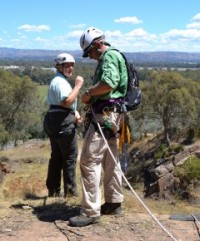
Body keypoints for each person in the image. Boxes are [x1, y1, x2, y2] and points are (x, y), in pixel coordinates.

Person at [69, 27, 128, 227]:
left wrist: (89, 94)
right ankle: (113, 202)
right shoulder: (115, 55)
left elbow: (109, 83)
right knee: (110, 159)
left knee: (88, 160)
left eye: (90, 53)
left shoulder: (109, 57)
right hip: (114, 114)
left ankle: (90, 211)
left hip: (105, 114)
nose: (91, 57)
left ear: (97, 45)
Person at [43, 53, 84, 198]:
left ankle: (53, 190)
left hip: (53, 119)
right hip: (62, 122)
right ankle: (71, 193)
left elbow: (63, 104)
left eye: (72, 65)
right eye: (67, 65)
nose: (70, 68)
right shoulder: (61, 82)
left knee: (57, 157)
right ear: (59, 67)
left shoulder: (57, 80)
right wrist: (78, 86)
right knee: (69, 157)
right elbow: (66, 102)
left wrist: (74, 112)